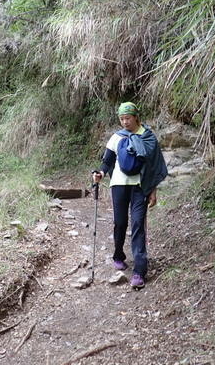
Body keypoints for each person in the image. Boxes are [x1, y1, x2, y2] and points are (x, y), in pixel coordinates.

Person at [92, 102, 168, 289]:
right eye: (122, 119)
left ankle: (139, 271)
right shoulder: (117, 137)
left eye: (128, 118)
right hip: (118, 185)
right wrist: (100, 174)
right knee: (120, 222)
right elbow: (107, 162)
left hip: (139, 187)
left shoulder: (147, 137)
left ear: (136, 117)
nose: (125, 122)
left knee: (137, 224)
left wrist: (153, 190)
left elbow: (152, 167)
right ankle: (118, 255)